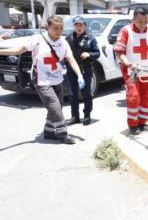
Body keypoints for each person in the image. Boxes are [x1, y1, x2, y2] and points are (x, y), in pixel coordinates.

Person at [0, 15, 85, 144]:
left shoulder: (63, 41)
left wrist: (79, 75)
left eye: (61, 28)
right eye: (55, 28)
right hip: (41, 80)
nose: (59, 31)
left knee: (57, 108)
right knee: (54, 106)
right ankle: (63, 133)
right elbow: (18, 50)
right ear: (48, 27)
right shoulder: (38, 39)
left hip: (57, 79)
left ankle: (49, 131)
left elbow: (71, 59)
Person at [114, 7, 148, 135]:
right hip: (131, 71)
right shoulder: (126, 31)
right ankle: (133, 125)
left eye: (145, 21)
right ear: (133, 19)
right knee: (133, 97)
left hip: (147, 70)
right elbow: (119, 52)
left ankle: (142, 122)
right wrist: (127, 62)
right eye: (140, 22)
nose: (143, 25)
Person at [65, 16, 100, 126]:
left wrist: (89, 54)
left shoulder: (91, 38)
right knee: (72, 93)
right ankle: (75, 116)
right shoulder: (68, 38)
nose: (78, 27)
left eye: (81, 25)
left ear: (85, 26)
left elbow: (97, 53)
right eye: (76, 25)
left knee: (86, 93)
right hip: (71, 69)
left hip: (85, 69)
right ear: (73, 26)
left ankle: (87, 116)